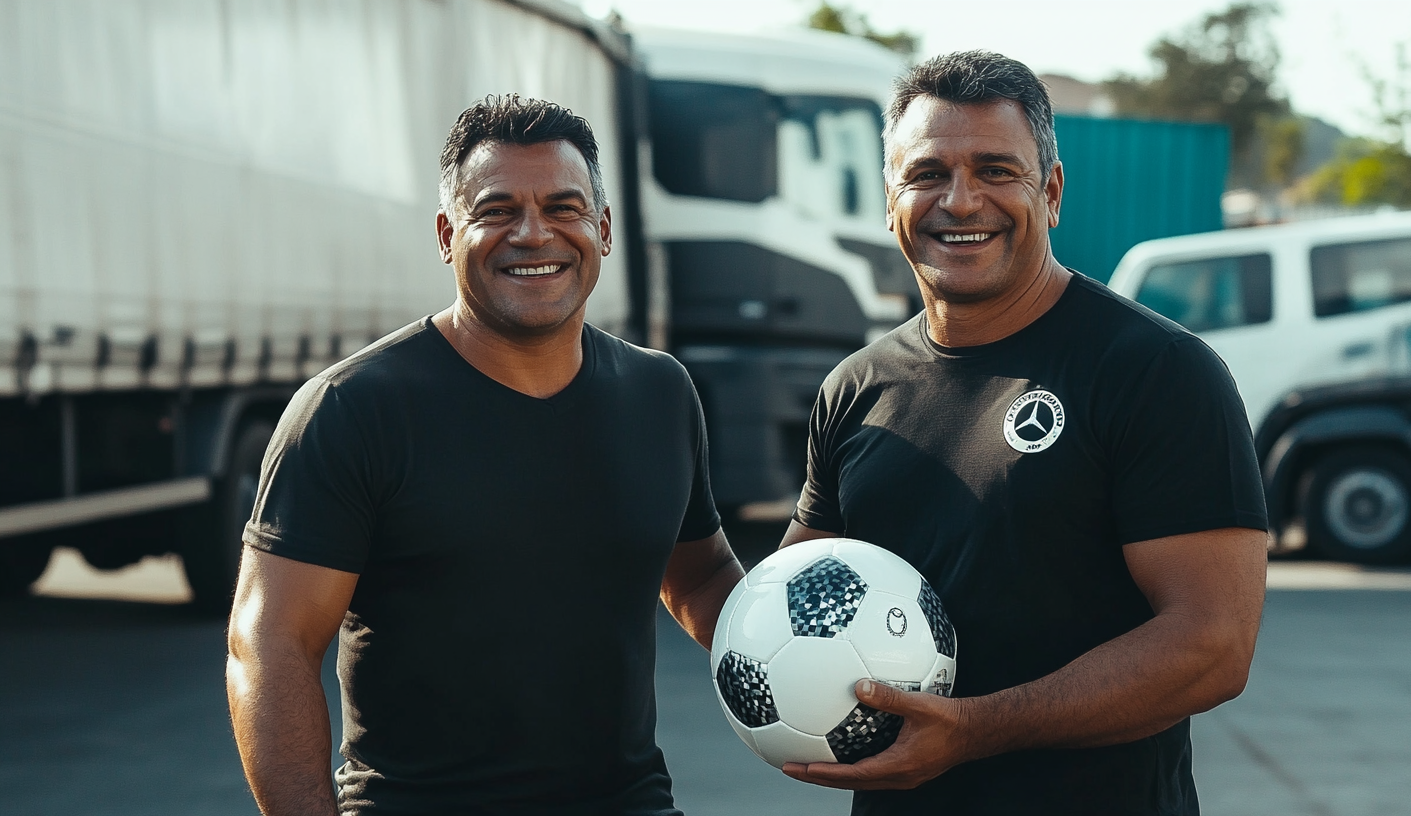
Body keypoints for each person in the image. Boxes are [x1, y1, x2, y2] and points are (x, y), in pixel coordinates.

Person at [777, 51, 1268, 815]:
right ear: (890, 200)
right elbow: (788, 601)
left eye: (996, 170)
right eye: (928, 173)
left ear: (1053, 191)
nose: (961, 200)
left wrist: (973, 730)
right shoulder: (857, 387)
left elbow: (1212, 648)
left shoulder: (1158, 371)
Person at [225, 95, 744, 816]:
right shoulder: (354, 409)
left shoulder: (660, 392)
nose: (533, 234)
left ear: (603, 229)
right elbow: (271, 642)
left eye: (564, 207)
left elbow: (701, 574)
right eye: (497, 210)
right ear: (447, 234)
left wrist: (804, 671)